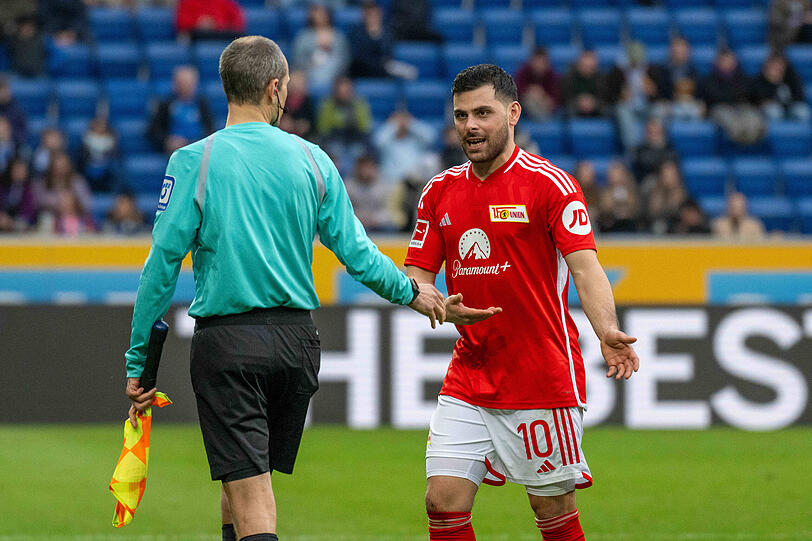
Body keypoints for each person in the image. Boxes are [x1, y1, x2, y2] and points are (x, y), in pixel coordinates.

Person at [123, 36, 446, 541]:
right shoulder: (314, 160)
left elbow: (161, 267)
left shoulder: (194, 161)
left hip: (229, 344)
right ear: (275, 88)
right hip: (297, 344)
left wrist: (141, 363)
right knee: (241, 480)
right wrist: (412, 291)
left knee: (251, 494)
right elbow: (357, 254)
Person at [404, 64, 639, 541]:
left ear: (513, 113)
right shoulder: (439, 192)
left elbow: (585, 267)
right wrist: (434, 304)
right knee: (441, 501)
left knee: (552, 511)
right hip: (470, 370)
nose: (470, 126)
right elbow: (416, 276)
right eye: (461, 115)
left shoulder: (549, 184)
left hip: (539, 374)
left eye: (483, 113)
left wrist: (606, 330)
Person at [148, 65, 215, 154]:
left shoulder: (202, 105)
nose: (186, 88)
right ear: (175, 84)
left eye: (189, 84)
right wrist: (167, 141)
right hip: (173, 152)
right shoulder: (166, 104)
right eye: (182, 84)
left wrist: (199, 142)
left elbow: (210, 129)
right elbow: (153, 130)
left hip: (198, 151)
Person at [291, 4, 350, 93]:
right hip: (308, 76)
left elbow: (344, 60)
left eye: (322, 12)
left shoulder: (338, 37)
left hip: (335, 78)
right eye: (316, 12)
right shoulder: (303, 37)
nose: (319, 16)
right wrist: (311, 63)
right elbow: (297, 61)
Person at [749, 54, 810, 121]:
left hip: (791, 105)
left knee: (802, 111)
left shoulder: (792, 77)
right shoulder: (760, 79)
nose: (777, 68)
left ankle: (799, 131)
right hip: (773, 108)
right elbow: (757, 98)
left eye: (780, 65)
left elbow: (800, 95)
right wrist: (772, 83)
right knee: (774, 111)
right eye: (774, 65)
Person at [515, 48, 561, 120]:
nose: (539, 65)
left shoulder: (552, 75)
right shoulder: (522, 72)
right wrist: (530, 92)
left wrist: (543, 95)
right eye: (537, 61)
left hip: (546, 107)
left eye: (542, 62)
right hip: (525, 109)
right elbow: (516, 92)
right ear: (532, 61)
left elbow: (556, 98)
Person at [175, 0, 245, 42]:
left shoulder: (224, 2)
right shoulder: (188, 2)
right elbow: (181, 21)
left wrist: (217, 24)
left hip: (220, 35)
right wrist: (198, 23)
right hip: (197, 35)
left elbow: (237, 21)